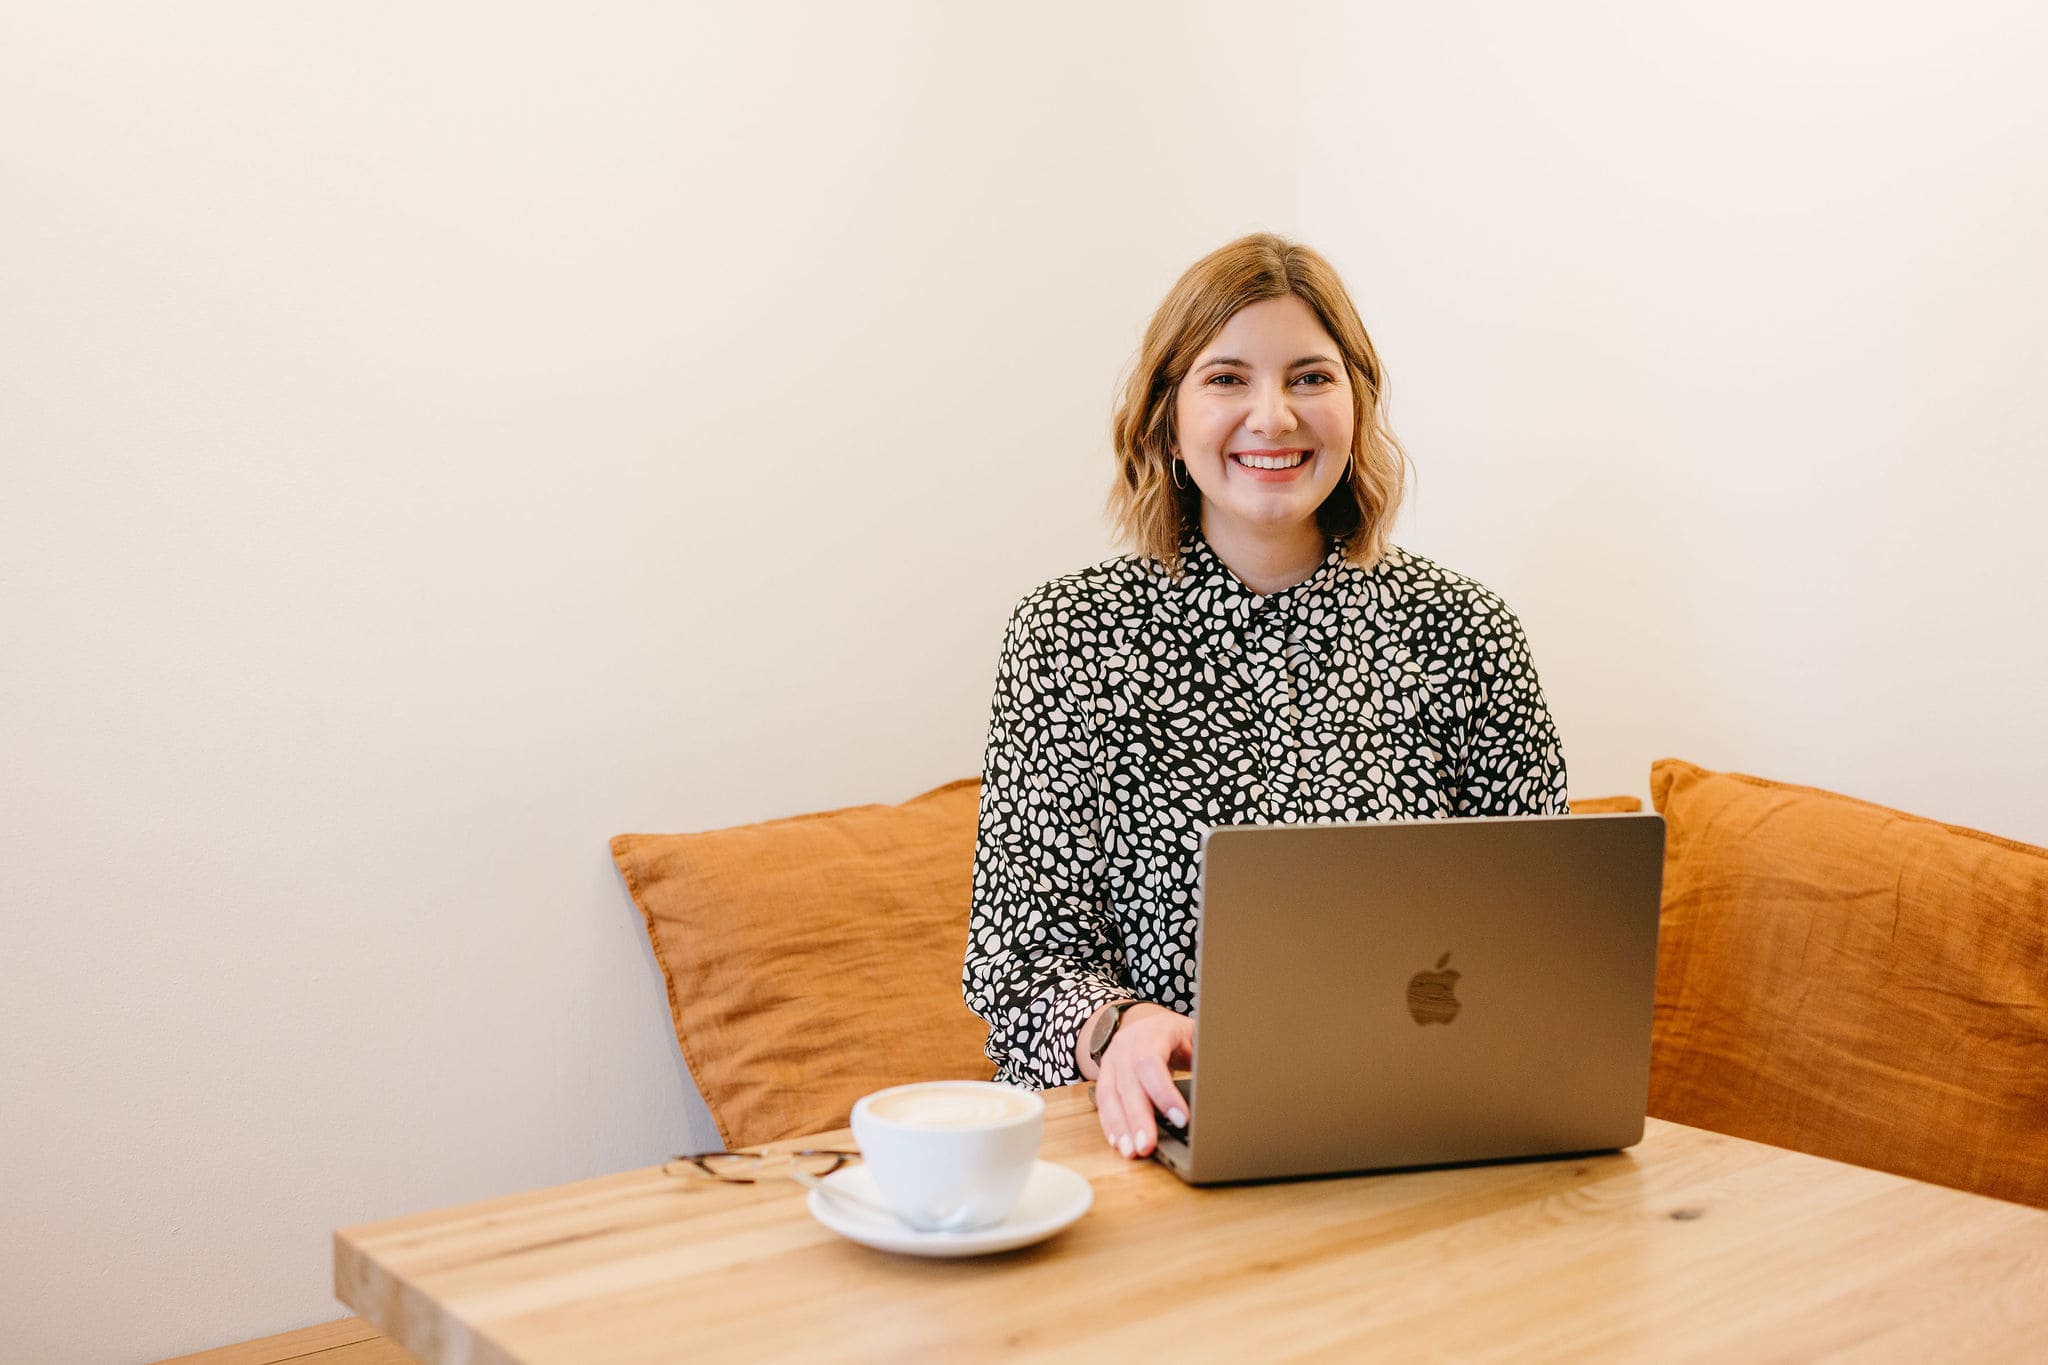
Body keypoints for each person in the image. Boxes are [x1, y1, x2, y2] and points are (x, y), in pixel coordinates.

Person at [961, 233, 1567, 1162]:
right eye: (1228, 378)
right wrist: (1119, 1026)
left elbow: (1543, 943)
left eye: (1311, 377)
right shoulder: (1065, 637)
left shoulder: (1470, 634)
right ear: (1168, 418)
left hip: (1428, 1134)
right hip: (1158, 1147)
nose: (1273, 416)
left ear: (1357, 408)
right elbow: (1019, 967)